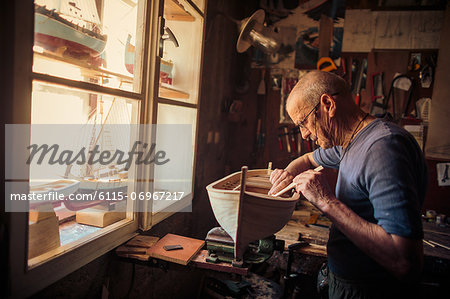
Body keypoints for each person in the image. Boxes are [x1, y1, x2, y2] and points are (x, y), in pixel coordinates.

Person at [268, 71, 427, 299]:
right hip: (347, 281)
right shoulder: (350, 143)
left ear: (328, 104)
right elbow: (307, 159)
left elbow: (405, 262)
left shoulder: (382, 149)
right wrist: (287, 174)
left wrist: (325, 201)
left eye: (304, 122)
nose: (304, 134)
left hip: (370, 290)